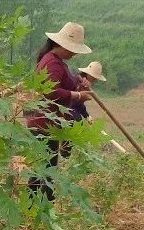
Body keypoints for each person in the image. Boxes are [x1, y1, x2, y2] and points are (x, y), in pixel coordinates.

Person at [24, 22, 93, 200]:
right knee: (44, 168)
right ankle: (39, 206)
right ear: (62, 45)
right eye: (73, 49)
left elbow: (62, 84)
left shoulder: (56, 62)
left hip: (49, 121)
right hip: (43, 122)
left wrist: (79, 83)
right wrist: (78, 95)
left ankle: (39, 206)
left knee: (45, 166)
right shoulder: (52, 62)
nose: (74, 53)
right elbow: (51, 91)